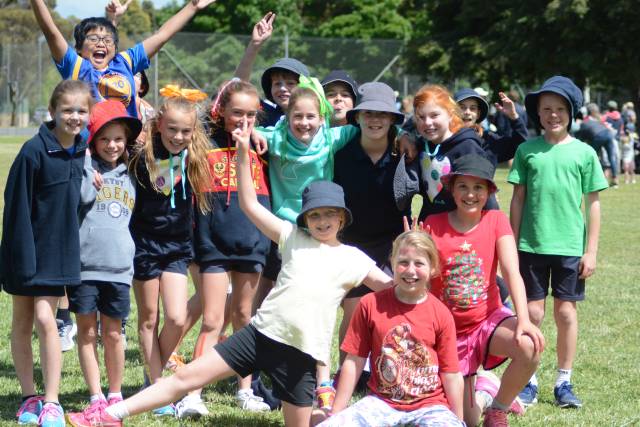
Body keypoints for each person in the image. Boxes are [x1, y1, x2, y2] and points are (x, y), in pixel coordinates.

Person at [102, 122, 393, 426]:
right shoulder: (293, 236)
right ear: (305, 218)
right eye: (315, 215)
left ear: (342, 218)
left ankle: (330, 415)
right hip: (260, 335)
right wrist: (242, 153)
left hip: (301, 356)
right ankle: (110, 413)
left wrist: (415, 258)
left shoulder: (352, 258)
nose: (322, 221)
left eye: (329, 214)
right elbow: (249, 203)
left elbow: (390, 287)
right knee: (186, 377)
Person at [509, 76, 609, 409]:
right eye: (546, 109)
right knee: (532, 313)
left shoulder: (584, 153)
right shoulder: (527, 151)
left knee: (565, 313)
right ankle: (528, 378)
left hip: (568, 248)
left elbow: (593, 204)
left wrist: (590, 250)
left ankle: (564, 381)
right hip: (531, 246)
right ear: (537, 113)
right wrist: (509, 243)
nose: (553, 115)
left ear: (571, 112)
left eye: (560, 109)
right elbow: (518, 199)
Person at [175, 79, 272, 418]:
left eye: (250, 114)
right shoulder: (202, 142)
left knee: (244, 317)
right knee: (213, 319)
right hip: (212, 245)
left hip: (251, 244)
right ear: (221, 111)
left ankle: (245, 389)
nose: (243, 120)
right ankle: (192, 394)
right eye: (236, 113)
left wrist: (255, 142)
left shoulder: (263, 148)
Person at [424, 154, 544, 427]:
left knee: (529, 347)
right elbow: (421, 279)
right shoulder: (433, 223)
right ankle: (485, 390)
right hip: (447, 331)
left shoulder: (496, 220)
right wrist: (410, 244)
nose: (470, 194)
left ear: (489, 191)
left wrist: (524, 320)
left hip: (486, 321)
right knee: (466, 421)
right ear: (452, 190)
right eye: (463, 186)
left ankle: (498, 407)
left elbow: (512, 272)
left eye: (478, 188)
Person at [0, 80, 93, 427]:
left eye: (81, 110)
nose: (74, 116)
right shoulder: (32, 151)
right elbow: (16, 208)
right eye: (67, 110)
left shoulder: (83, 149)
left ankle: (52, 401)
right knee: (21, 322)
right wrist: (19, 257)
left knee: (45, 319)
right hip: (25, 250)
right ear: (53, 111)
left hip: (58, 252)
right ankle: (29, 399)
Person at [314, 230, 465, 427]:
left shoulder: (441, 313)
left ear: (433, 268)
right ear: (392, 263)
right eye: (403, 262)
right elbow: (354, 362)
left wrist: (458, 419)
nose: (410, 271)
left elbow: (451, 373)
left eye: (419, 264)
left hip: (429, 406)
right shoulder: (370, 304)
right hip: (381, 404)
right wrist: (336, 412)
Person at [128, 85, 212, 417]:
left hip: (177, 247)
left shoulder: (194, 158)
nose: (178, 136)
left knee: (177, 317)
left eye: (185, 131)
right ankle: (156, 385)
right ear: (159, 124)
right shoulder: (140, 154)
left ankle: (155, 383)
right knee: (149, 318)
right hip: (143, 246)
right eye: (172, 129)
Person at [65, 100, 141, 427]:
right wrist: (84, 167)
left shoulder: (133, 175)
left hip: (119, 269)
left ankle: (114, 396)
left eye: (118, 139)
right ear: (93, 141)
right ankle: (95, 396)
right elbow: (79, 199)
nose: (112, 145)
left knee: (113, 334)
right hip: (84, 268)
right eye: (104, 139)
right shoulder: (83, 169)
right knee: (86, 332)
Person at [332, 82, 408, 405]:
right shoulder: (341, 157)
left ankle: (386, 373)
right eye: (368, 113)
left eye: (383, 114)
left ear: (392, 119)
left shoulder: (404, 152)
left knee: (392, 315)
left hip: (392, 245)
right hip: (351, 244)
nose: (375, 120)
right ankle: (346, 372)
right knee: (353, 313)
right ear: (357, 117)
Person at [31, 0, 216, 117]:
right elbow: (51, 32)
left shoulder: (124, 62)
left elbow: (162, 35)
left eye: (107, 40)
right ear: (78, 48)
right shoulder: (77, 67)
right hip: (90, 155)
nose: (101, 43)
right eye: (93, 38)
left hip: (126, 150)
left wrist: (192, 6)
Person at [393, 84, 499, 222]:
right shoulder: (419, 146)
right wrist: (402, 135)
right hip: (430, 228)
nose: (427, 123)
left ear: (450, 114)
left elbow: (486, 196)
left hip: (462, 231)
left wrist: (496, 230)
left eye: (434, 115)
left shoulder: (468, 147)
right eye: (421, 117)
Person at [234, 11, 310, 127]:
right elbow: (238, 86)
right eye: (277, 83)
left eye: (290, 83)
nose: (283, 88)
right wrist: (255, 45)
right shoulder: (265, 114)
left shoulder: (317, 119)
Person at [454, 87, 529, 166]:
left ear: (478, 114)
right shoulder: (443, 139)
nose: (467, 112)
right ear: (452, 110)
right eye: (462, 107)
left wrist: (514, 118)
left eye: (472, 108)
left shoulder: (489, 141)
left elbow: (521, 145)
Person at [577, 103, 620, 188]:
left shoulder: (583, 124)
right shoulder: (596, 121)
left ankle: (596, 178)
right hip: (608, 134)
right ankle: (615, 179)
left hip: (598, 136)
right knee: (611, 157)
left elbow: (580, 139)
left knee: (592, 157)